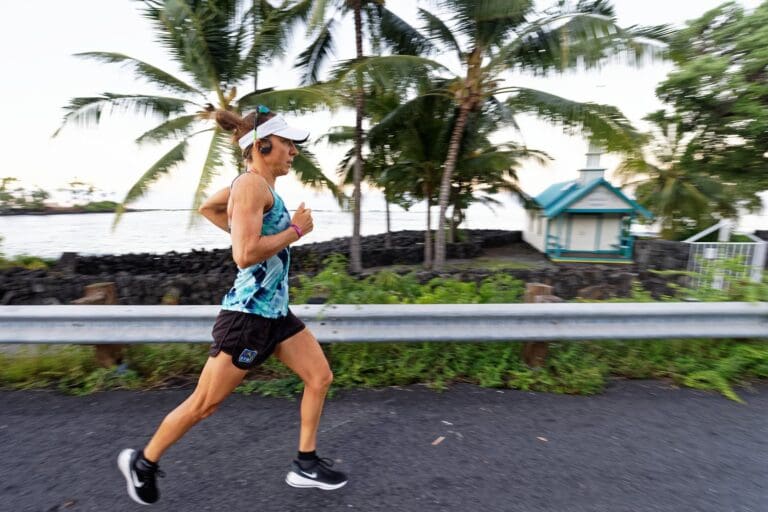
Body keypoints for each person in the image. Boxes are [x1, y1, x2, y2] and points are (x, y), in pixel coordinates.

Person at [117, 105, 348, 505]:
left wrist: (242, 226)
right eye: (287, 143)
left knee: (319, 376)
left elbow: (209, 207)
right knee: (204, 405)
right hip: (247, 318)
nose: (294, 151)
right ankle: (144, 463)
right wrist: (295, 230)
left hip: (275, 314)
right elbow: (244, 255)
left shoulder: (256, 186)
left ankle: (305, 463)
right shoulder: (250, 185)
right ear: (262, 145)